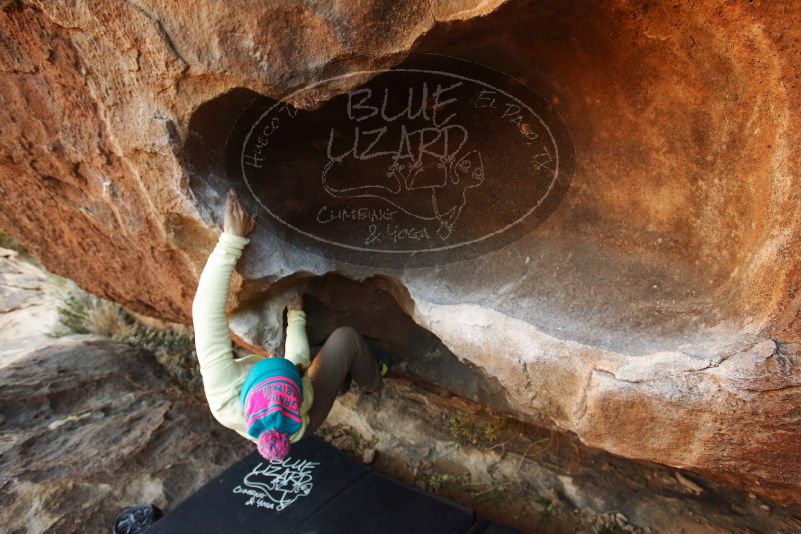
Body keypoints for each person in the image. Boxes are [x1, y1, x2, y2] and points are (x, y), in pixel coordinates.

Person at [191, 190, 390, 463]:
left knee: (320, 353)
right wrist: (296, 320)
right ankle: (373, 383)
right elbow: (297, 361)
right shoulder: (300, 402)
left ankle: (341, 381)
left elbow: (205, 312)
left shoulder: (222, 390)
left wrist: (232, 240)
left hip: (288, 399)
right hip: (307, 419)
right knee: (346, 339)